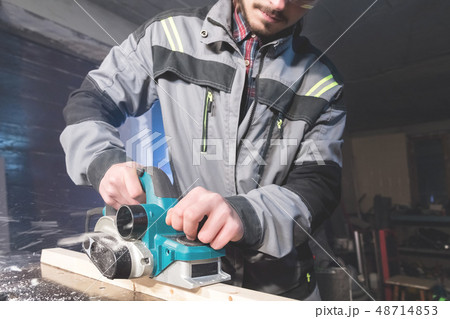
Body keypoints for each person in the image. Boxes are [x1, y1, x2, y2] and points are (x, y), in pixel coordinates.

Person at [60, 0, 346, 300]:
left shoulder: (323, 82)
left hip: (283, 293)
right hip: (188, 287)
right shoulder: (167, 35)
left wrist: (247, 215)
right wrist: (103, 162)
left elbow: (318, 188)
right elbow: (90, 101)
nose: (278, 4)